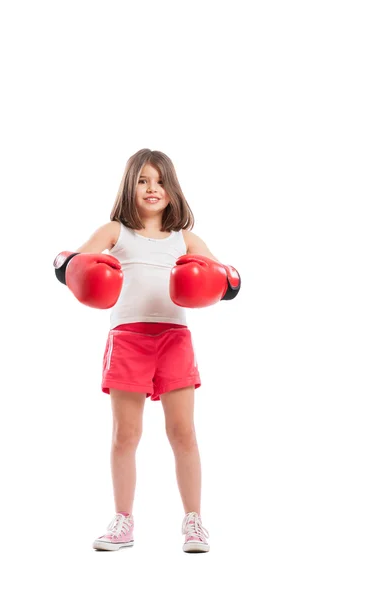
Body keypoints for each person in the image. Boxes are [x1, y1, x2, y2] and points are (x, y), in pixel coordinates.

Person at [53, 148, 240, 553]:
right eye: (142, 180)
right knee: (126, 434)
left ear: (172, 189)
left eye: (159, 181)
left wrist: (216, 281)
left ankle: (194, 522)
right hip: (128, 339)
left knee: (183, 432)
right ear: (129, 186)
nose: (151, 188)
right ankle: (123, 521)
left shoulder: (185, 239)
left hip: (174, 339)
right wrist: (72, 268)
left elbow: (228, 281)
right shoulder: (115, 232)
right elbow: (71, 264)